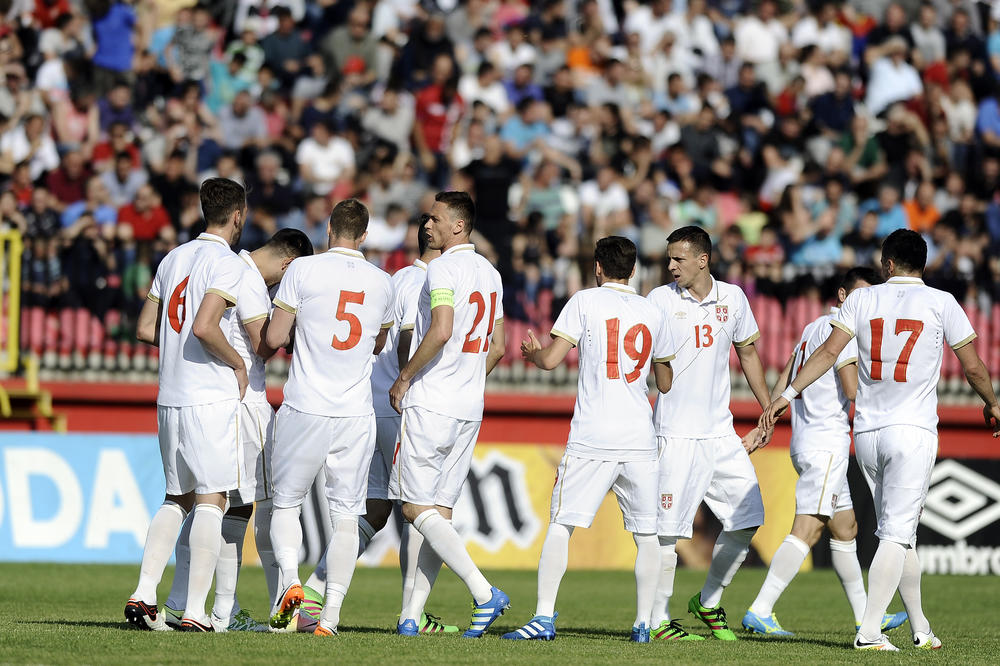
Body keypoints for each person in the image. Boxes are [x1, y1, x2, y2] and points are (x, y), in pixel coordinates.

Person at [760, 229, 1000, 651]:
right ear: (922, 264)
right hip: (912, 431)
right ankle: (869, 632)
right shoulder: (942, 302)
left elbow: (828, 354)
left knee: (899, 532)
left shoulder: (860, 299)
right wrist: (992, 403)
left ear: (888, 263)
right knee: (895, 533)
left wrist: (785, 395)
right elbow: (974, 367)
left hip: (868, 433)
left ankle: (921, 627)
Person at [504, 236, 676, 643]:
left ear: (598, 267)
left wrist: (531, 353)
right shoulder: (653, 311)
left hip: (593, 436)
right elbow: (665, 383)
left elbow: (549, 360)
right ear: (634, 270)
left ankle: (544, 617)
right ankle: (644, 624)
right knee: (647, 535)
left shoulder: (584, 301)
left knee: (562, 525)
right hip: (639, 438)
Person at [296, 218, 456, 635]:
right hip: (404, 406)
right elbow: (405, 344)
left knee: (376, 509)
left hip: (370, 405)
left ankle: (312, 593)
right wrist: (410, 382)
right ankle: (412, 614)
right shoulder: (435, 283)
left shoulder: (393, 279)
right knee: (422, 507)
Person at [160, 229, 314, 632]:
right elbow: (263, 343)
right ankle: (271, 604)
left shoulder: (234, 269)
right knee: (259, 505)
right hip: (247, 403)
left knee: (224, 504)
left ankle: (214, 607)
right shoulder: (245, 276)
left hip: (215, 399)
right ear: (288, 265)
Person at [742, 267, 906, 636]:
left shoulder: (813, 327)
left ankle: (869, 615)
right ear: (844, 295)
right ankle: (761, 608)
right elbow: (851, 390)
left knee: (845, 528)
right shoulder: (845, 335)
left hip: (807, 440)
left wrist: (768, 415)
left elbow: (788, 371)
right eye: (862, 295)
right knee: (808, 527)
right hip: (826, 442)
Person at [125, 178, 251, 632]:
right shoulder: (228, 263)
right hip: (208, 396)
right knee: (212, 500)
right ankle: (196, 612)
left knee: (175, 499)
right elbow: (204, 326)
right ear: (237, 215)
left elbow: (144, 327)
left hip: (170, 395)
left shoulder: (172, 257)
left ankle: (143, 593)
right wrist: (237, 362)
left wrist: (177, 345)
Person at [265, 199, 394, 637]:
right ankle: (331, 616)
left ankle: (291, 582)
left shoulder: (302, 271)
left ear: (328, 231)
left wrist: (301, 332)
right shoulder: (383, 282)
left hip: (305, 404)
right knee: (345, 516)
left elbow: (276, 335)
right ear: (364, 236)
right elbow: (377, 344)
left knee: (285, 502)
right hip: (355, 413)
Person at [387, 191, 508, 638]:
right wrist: (468, 374)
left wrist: (404, 378)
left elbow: (441, 329)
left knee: (415, 506)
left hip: (433, 400)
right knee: (438, 511)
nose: (427, 226)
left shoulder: (440, 268)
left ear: (458, 226)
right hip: (468, 404)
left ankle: (482, 591)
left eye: (435, 219)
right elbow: (497, 345)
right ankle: (411, 616)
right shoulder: (492, 275)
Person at [646, 225, 772, 641]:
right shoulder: (659, 300)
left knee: (748, 518)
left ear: (703, 260)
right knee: (667, 532)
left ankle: (708, 600)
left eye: (678, 259)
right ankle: (657, 619)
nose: (670, 266)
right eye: (669, 259)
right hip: (674, 435)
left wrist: (767, 406)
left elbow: (748, 352)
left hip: (720, 433)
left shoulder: (733, 298)